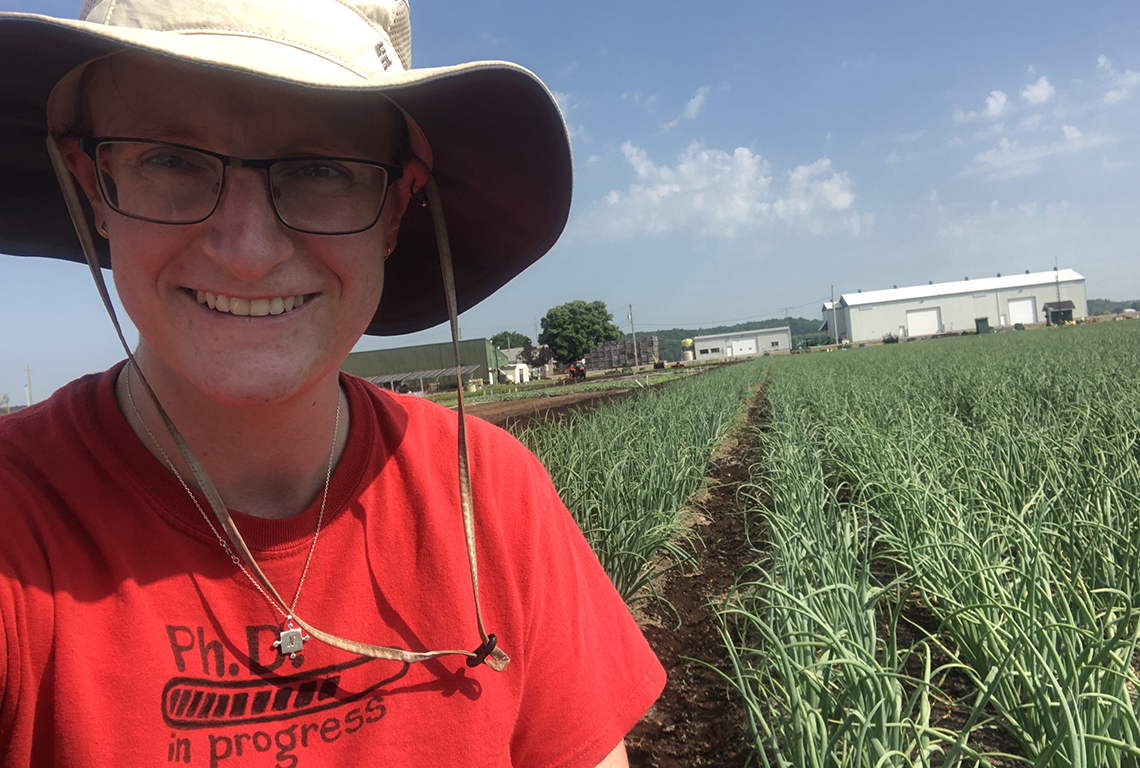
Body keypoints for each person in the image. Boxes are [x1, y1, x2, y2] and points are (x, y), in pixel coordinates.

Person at [0, 1, 665, 765]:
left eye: (320, 169)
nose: (248, 252)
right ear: (92, 184)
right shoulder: (17, 533)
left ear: (395, 207)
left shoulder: (495, 500)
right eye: (171, 158)